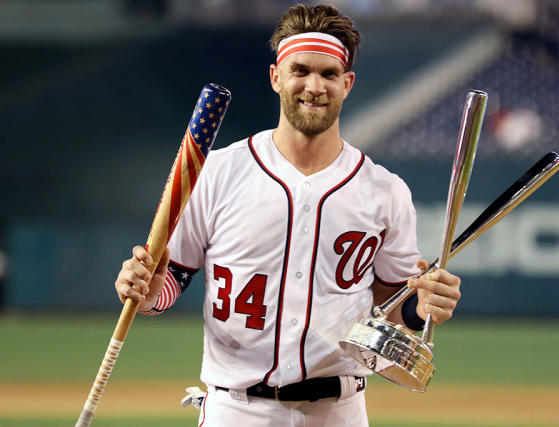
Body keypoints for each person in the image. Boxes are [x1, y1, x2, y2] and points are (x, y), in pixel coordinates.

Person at [115, 4, 462, 426]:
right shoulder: (218, 172)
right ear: (276, 76)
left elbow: (392, 306)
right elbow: (171, 281)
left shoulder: (385, 191)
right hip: (235, 409)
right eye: (300, 70)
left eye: (329, 74)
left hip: (338, 411)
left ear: (347, 83)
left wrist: (421, 308)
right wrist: (147, 289)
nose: (314, 86)